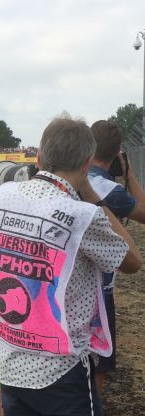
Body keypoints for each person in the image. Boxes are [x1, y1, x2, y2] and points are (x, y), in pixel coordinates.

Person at [0, 114, 141, 416]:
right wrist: (93, 197)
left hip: (10, 362)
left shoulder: (0, 197)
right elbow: (131, 261)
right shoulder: (83, 216)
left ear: (39, 157)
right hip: (64, 370)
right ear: (87, 163)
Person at [88, 120, 145, 395]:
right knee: (99, 364)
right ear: (117, 155)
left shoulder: (66, 179)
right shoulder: (112, 192)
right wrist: (129, 173)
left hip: (62, 281)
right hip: (100, 289)